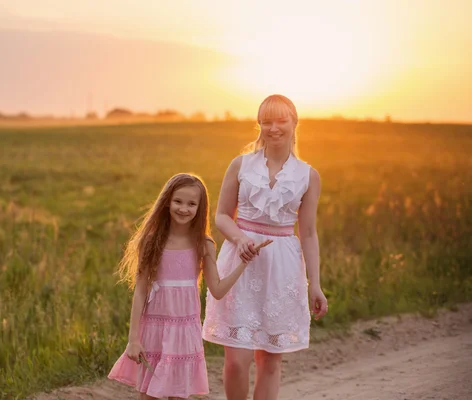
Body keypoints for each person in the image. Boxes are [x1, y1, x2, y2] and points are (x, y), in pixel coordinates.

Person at [202, 94, 329, 400]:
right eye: (267, 121)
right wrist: (240, 239)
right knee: (236, 361)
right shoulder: (240, 165)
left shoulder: (308, 175)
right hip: (240, 262)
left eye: (281, 120)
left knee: (270, 360)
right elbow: (221, 216)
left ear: (294, 123)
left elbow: (309, 233)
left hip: (282, 268)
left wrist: (316, 285)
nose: (274, 128)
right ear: (259, 125)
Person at [108, 173, 270, 399]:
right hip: (154, 329)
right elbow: (141, 291)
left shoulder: (204, 245)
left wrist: (243, 264)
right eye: (178, 201)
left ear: (199, 208)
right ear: (167, 202)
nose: (184, 208)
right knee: (149, 396)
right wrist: (133, 339)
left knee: (178, 395)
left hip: (185, 332)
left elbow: (218, 290)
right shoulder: (152, 241)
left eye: (191, 204)